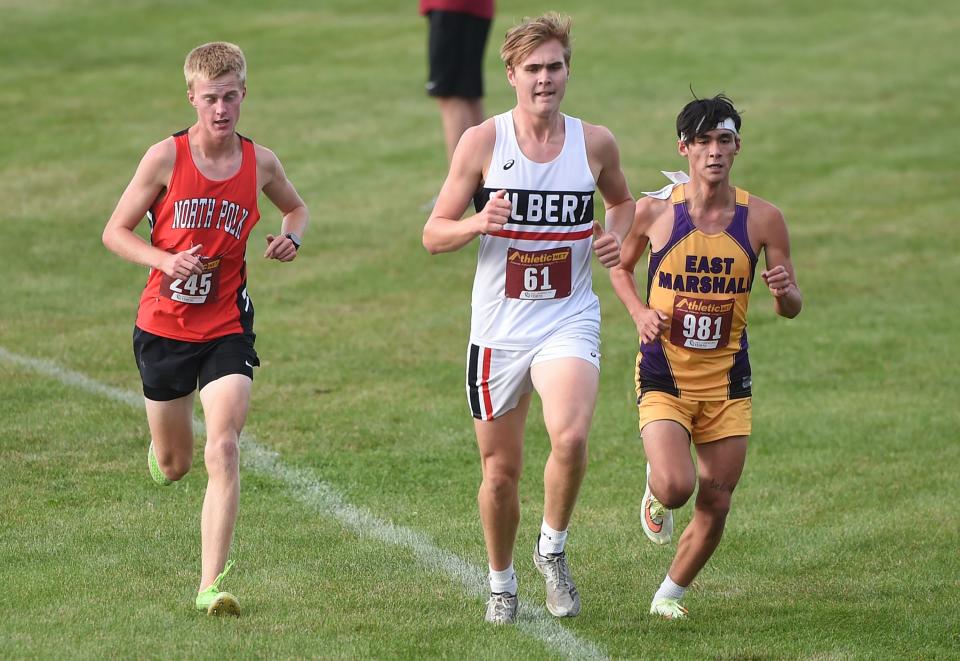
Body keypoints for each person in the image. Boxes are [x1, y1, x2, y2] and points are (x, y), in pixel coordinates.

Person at [422, 13, 634, 624]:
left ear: (569, 69)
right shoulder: (483, 143)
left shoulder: (594, 143)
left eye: (556, 67)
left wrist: (617, 238)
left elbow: (621, 204)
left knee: (569, 436)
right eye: (534, 69)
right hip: (498, 329)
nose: (546, 79)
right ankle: (501, 580)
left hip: (568, 317)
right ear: (511, 74)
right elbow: (433, 234)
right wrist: (476, 223)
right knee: (501, 472)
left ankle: (553, 548)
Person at [101, 41, 309, 616]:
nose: (221, 109)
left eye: (231, 97)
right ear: (191, 97)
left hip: (225, 325)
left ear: (245, 94)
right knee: (176, 466)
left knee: (224, 447)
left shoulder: (260, 161)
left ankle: (210, 586)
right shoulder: (164, 158)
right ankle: (163, 451)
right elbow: (114, 232)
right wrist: (164, 260)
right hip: (164, 326)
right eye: (210, 98)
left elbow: (296, 208)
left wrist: (293, 235)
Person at [609, 94, 802, 620]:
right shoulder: (655, 212)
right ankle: (653, 489)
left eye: (723, 140)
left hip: (727, 382)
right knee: (676, 487)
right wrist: (638, 313)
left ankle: (668, 595)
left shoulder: (764, 220)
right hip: (664, 373)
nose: (713, 151)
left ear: (737, 146)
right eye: (702, 142)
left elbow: (791, 307)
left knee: (716, 500)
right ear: (684, 148)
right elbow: (621, 269)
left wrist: (784, 292)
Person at [420, 0, 494, 165]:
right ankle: (482, 179)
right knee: (468, 94)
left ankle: (462, 184)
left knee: (451, 95)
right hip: (465, 8)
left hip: (453, 6)